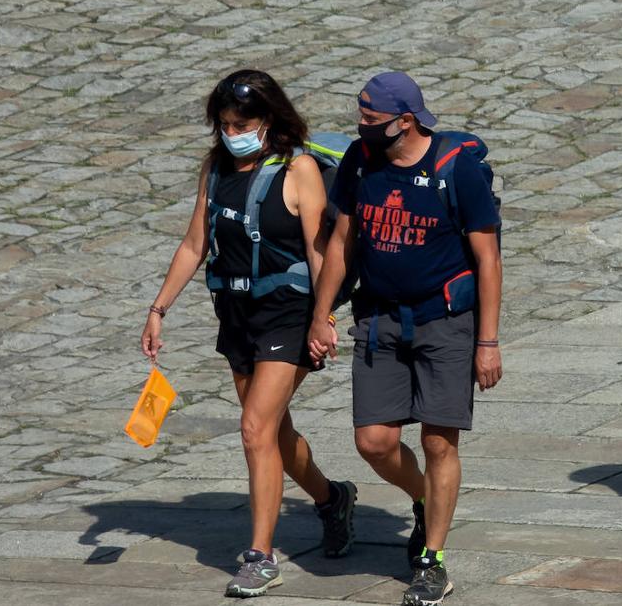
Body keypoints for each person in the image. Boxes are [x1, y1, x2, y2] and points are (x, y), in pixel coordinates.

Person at [141, 70, 357, 598]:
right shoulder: (215, 167)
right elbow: (195, 243)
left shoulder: (299, 168)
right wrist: (158, 309)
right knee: (272, 432)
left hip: (289, 312)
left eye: (243, 123)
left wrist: (322, 316)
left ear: (269, 120)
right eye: (225, 123)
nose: (232, 131)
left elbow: (318, 249)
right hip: (236, 312)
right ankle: (332, 499)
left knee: (255, 429)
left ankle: (260, 557)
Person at [307, 71, 502, 606]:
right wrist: (320, 313)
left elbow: (487, 258)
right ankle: (423, 500)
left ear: (406, 121)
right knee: (374, 441)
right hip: (380, 320)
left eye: (371, 122)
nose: (362, 129)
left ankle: (432, 560)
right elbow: (343, 239)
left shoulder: (455, 170)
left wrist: (488, 341)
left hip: (445, 322)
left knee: (439, 441)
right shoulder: (360, 161)